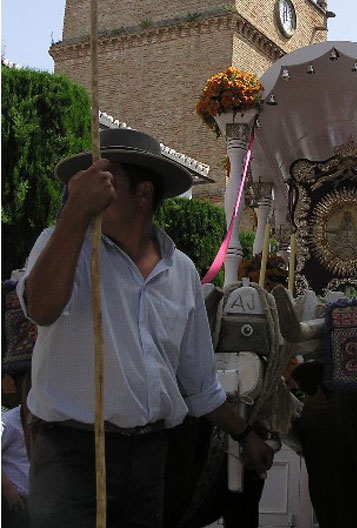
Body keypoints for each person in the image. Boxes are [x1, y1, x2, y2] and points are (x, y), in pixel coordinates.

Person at [17, 128, 274, 528]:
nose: (92, 187)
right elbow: (41, 308)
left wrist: (244, 435)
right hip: (72, 457)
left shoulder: (182, 272)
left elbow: (199, 383)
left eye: (107, 179)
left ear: (143, 194)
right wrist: (73, 213)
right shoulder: (63, 244)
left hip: (150, 459)